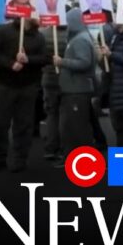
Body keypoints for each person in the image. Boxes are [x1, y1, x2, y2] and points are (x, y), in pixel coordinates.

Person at [0, 16, 48, 173]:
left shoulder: (39, 36)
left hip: (28, 86)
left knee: (24, 125)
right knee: (1, 124)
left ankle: (20, 159)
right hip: (5, 85)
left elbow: (45, 58)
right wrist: (10, 63)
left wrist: (28, 59)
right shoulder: (4, 31)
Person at [52, 8, 97, 167]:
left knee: (77, 128)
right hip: (73, 89)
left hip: (77, 90)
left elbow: (84, 62)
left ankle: (80, 161)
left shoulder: (80, 40)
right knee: (72, 126)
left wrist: (62, 62)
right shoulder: (80, 37)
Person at [40, 18, 67, 161]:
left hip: (48, 78)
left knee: (51, 113)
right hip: (66, 79)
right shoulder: (70, 34)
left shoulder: (43, 34)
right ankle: (63, 147)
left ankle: (51, 147)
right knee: (64, 114)